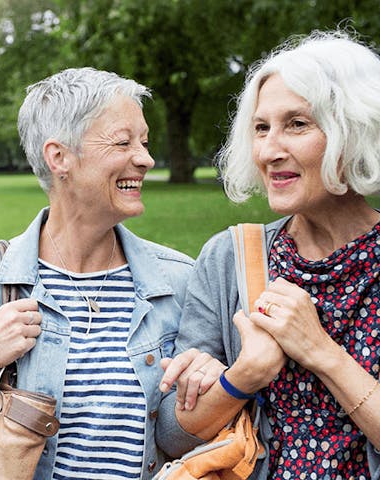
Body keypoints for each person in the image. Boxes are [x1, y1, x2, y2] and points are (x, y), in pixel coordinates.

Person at [0, 67, 221, 480]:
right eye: (123, 142)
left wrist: (216, 384)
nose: (145, 158)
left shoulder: (178, 280)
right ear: (59, 158)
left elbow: (179, 434)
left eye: (144, 142)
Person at [157, 30, 380, 479]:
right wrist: (242, 375)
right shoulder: (230, 258)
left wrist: (321, 352)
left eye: (297, 124)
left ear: (354, 129)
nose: (268, 150)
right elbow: (170, 435)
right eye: (261, 128)